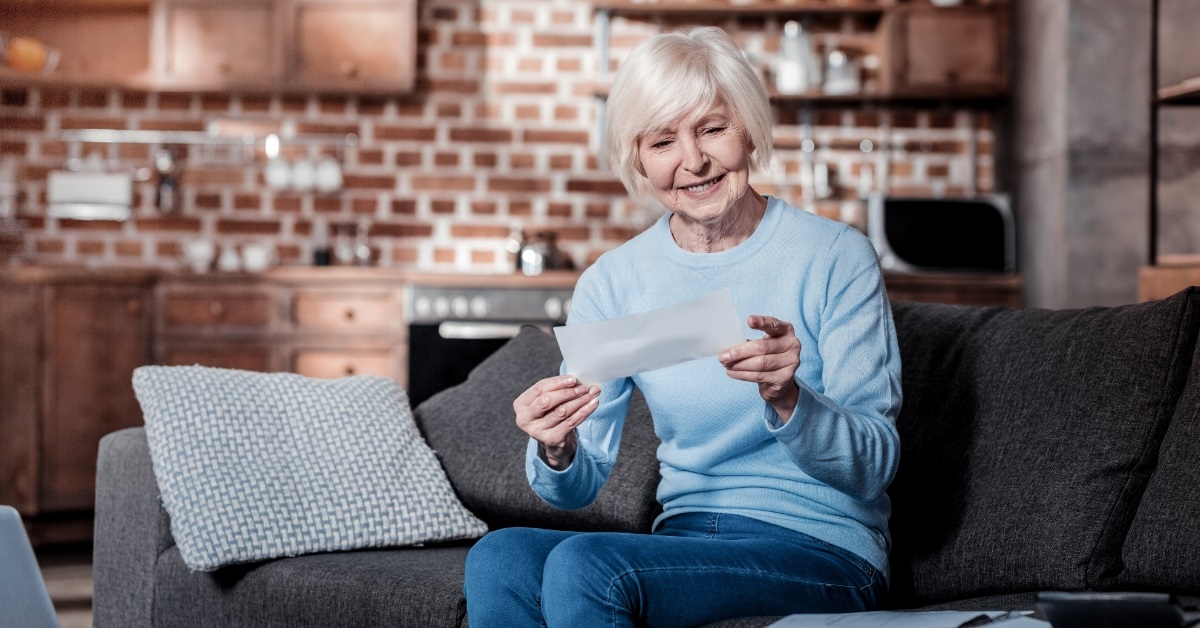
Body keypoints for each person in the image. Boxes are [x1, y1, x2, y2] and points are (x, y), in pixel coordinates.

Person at [464, 26, 901, 627]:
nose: (693, 161)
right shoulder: (616, 283)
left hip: (820, 549)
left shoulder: (833, 258)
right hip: (684, 539)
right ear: (638, 158)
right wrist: (557, 448)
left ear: (748, 131)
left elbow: (875, 465)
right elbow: (580, 482)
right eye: (663, 140)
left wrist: (790, 400)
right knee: (501, 555)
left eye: (713, 129)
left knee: (587, 566)